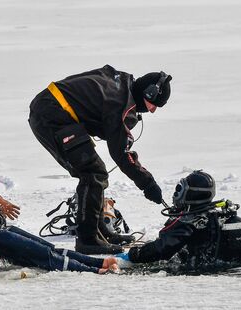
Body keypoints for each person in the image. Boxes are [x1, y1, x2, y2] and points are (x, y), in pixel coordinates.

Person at [0, 113, 118, 274]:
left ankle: (98, 263)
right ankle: (96, 272)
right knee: (46, 256)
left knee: (48, 248)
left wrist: (0, 201)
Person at [28, 65, 172, 255]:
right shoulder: (120, 103)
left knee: (95, 171)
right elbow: (120, 154)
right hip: (52, 115)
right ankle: (87, 239)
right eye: (154, 104)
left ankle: (99, 232)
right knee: (93, 172)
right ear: (148, 93)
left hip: (55, 109)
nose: (152, 111)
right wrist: (147, 183)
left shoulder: (122, 85)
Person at [119, 170, 241, 268]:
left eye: (180, 189)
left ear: (191, 193)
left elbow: (162, 248)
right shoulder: (214, 214)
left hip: (201, 271)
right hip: (226, 267)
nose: (176, 193)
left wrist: (133, 255)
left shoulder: (190, 220)